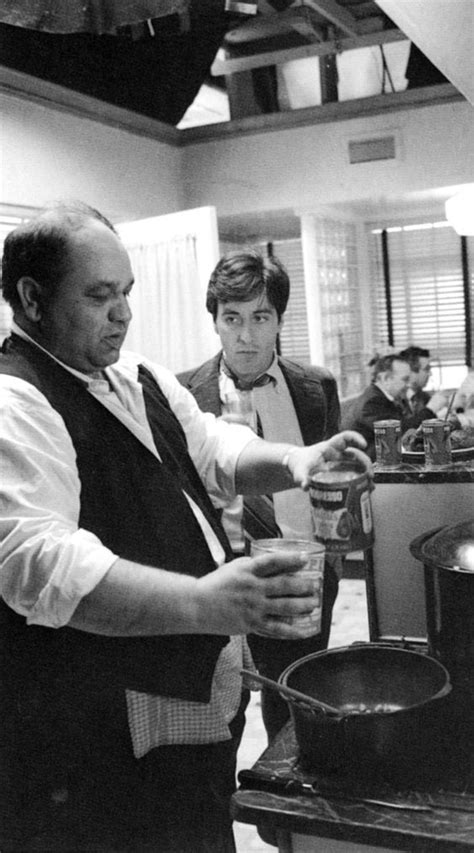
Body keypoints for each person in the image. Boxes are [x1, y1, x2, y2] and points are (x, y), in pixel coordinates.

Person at [0, 202, 369, 853]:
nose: (123, 312)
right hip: (100, 725)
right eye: (99, 295)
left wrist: (294, 459)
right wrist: (205, 601)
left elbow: (215, 448)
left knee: (199, 820)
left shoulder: (134, 377)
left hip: (183, 698)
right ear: (32, 298)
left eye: (127, 293)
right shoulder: (16, 401)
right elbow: (40, 560)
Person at [178, 249, 342, 742]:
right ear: (215, 322)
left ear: (279, 321)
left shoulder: (316, 387)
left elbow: (327, 479)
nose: (245, 335)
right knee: (221, 718)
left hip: (299, 574)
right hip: (218, 579)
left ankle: (282, 819)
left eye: (260, 317)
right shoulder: (182, 394)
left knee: (293, 712)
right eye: (232, 318)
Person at [341, 352, 412, 460]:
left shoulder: (380, 397)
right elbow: (401, 432)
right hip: (362, 467)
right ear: (386, 378)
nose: (408, 385)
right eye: (405, 380)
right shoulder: (372, 402)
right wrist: (430, 409)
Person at [398, 345, 448, 421]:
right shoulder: (396, 398)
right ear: (411, 372)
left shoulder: (423, 396)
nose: (430, 374)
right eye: (426, 369)